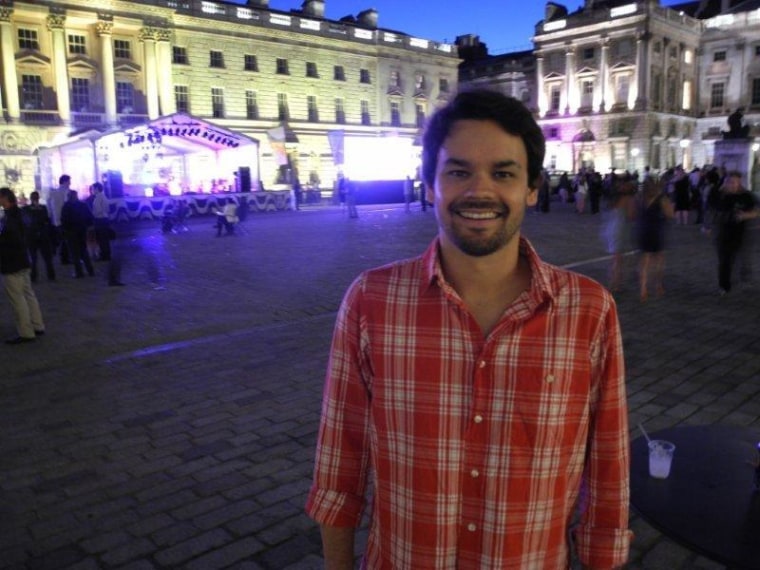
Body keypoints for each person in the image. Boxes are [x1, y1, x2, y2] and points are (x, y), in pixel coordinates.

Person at [306, 89, 632, 569]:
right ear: (430, 185)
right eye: (459, 171)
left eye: (503, 173)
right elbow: (340, 466)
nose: (480, 191)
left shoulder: (588, 310)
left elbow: (608, 472)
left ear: (532, 188)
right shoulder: (371, 302)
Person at [0, 187, 45, 344]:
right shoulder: (21, 214)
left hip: (12, 262)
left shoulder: (9, 219)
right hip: (24, 260)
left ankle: (26, 331)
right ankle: (37, 325)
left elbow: (9, 239)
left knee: (17, 297)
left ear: (5, 198)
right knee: (28, 294)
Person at [714, 171, 759, 295]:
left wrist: (746, 215)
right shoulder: (720, 195)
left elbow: (757, 211)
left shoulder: (746, 196)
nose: (732, 185)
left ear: (740, 182)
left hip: (742, 233)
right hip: (723, 232)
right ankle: (724, 286)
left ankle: (744, 277)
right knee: (724, 260)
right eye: (730, 182)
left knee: (742, 258)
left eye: (735, 182)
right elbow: (713, 210)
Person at [636, 178, 674, 301]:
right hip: (656, 231)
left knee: (644, 262)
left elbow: (634, 215)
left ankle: (643, 289)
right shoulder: (661, 199)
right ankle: (657, 285)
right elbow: (670, 215)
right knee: (658, 261)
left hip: (643, 231)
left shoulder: (640, 198)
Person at [22, 191, 56, 282]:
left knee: (38, 257)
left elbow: (43, 220)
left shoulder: (37, 208)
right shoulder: (32, 209)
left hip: (36, 235)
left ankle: (38, 276)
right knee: (39, 257)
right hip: (36, 235)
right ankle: (44, 276)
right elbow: (43, 220)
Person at [60, 189, 95, 278]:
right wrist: (87, 226)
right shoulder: (82, 205)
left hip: (71, 232)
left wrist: (65, 229)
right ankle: (90, 270)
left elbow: (64, 220)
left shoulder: (67, 206)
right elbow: (90, 217)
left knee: (74, 253)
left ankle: (79, 272)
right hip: (82, 230)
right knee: (83, 250)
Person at [48, 174, 70, 264]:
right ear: (64, 182)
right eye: (69, 181)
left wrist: (51, 217)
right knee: (66, 239)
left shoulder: (53, 193)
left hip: (56, 220)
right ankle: (65, 258)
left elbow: (49, 207)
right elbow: (68, 206)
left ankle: (63, 258)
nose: (70, 183)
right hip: (66, 220)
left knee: (62, 239)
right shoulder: (66, 192)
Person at [90, 182, 112, 261]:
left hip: (99, 220)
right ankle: (106, 255)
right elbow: (107, 209)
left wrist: (93, 213)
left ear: (97, 189)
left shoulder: (98, 198)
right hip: (105, 219)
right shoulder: (104, 196)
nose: (92, 190)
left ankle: (104, 256)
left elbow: (97, 210)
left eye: (93, 188)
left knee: (101, 239)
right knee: (105, 239)